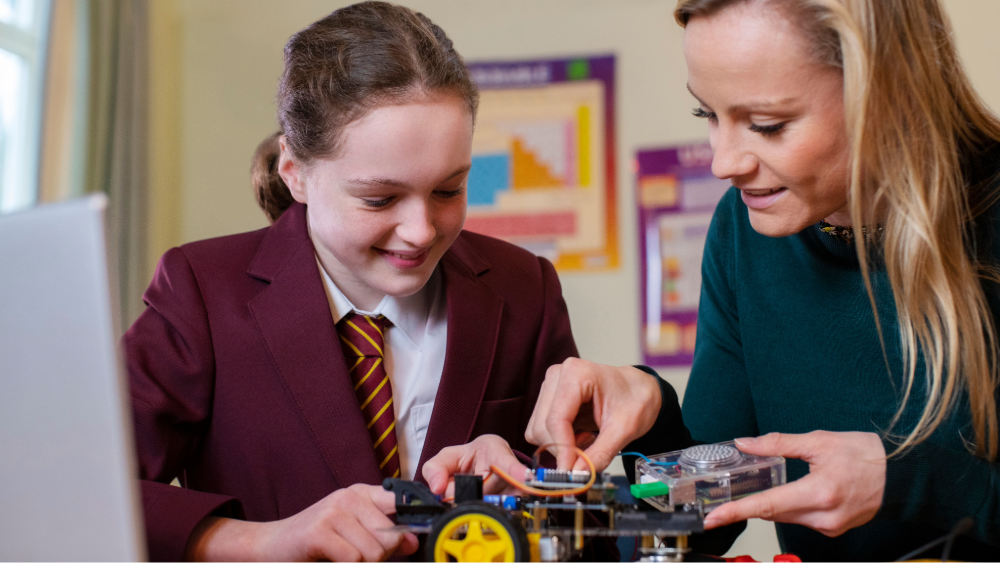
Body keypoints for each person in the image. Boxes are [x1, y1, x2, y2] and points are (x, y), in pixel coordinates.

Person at [433, 0, 1000, 560]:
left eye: (766, 125)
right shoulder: (743, 227)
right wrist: (650, 409)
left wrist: (908, 481)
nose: (723, 162)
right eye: (705, 114)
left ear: (886, 94)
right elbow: (700, 520)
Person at [124, 3, 613, 561]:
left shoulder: (525, 287)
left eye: (448, 191)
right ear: (296, 173)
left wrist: (520, 486)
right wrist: (263, 539)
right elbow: (83, 490)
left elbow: (587, 506)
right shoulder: (201, 292)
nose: (421, 231)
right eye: (380, 199)